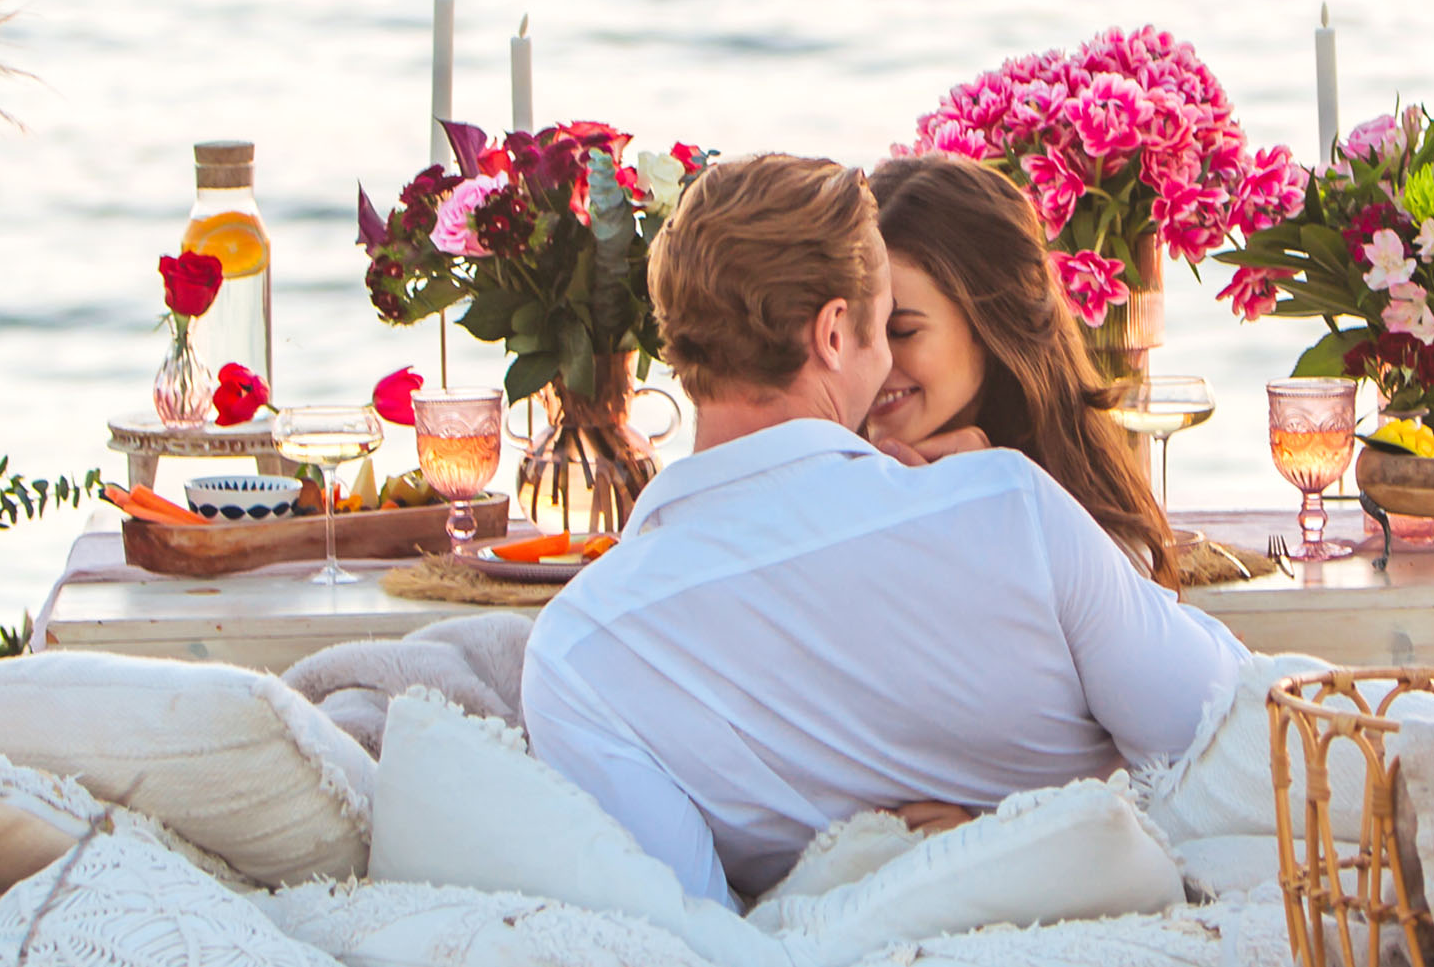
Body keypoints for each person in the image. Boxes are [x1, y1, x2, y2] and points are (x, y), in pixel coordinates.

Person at [518, 153, 1248, 910]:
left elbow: (690, 930)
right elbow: (1231, 744)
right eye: (882, 322)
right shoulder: (1008, 507)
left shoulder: (577, 649)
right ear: (835, 333)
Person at [862, 153, 1173, 577]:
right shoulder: (823, 492)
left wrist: (1001, 521)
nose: (874, 359)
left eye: (901, 331)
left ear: (991, 330)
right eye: (853, 331)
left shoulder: (1090, 538)